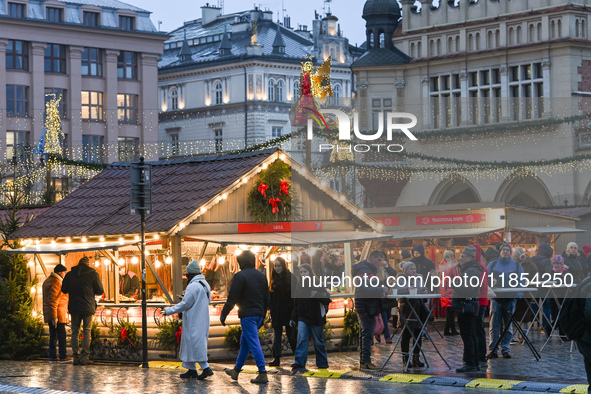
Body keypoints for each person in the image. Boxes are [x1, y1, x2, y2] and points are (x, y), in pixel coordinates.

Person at [221, 250, 270, 384]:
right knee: (246, 343)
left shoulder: (240, 276)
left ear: (241, 262)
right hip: (259, 314)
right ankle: (236, 371)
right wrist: (263, 315)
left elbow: (232, 297)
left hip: (248, 315)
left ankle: (262, 372)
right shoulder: (261, 276)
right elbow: (267, 298)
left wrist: (224, 314)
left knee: (253, 343)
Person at [162, 260, 213, 379]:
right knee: (192, 343)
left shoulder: (193, 286)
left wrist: (168, 311)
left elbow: (185, 304)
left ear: (191, 274)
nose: (187, 277)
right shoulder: (205, 284)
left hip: (193, 320)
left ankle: (206, 368)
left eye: (188, 274)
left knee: (195, 344)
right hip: (202, 318)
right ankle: (192, 369)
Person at [61, 256, 104, 366]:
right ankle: (85, 358)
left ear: (79, 264)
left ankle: (75, 357)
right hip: (87, 306)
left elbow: (63, 289)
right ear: (88, 264)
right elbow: (100, 290)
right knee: (86, 331)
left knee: (75, 332)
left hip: (74, 306)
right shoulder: (93, 274)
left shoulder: (70, 274)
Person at [352, 250, 389, 371]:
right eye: (378, 260)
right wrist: (380, 290)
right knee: (367, 334)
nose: (380, 263)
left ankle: (365, 361)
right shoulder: (365, 271)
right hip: (365, 306)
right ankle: (366, 362)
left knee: (366, 334)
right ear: (372, 258)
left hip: (365, 305)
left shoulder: (366, 269)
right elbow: (364, 289)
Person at [290, 263, 331, 370]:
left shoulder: (316, 283)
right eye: (301, 272)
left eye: (305, 272)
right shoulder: (299, 286)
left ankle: (322, 363)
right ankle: (299, 362)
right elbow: (296, 303)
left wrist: (316, 294)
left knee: (318, 341)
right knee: (302, 339)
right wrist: (293, 317)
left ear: (310, 272)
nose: (303, 274)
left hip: (316, 316)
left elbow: (327, 299)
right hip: (303, 316)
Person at [487, 244, 524, 359]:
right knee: (494, 326)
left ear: (510, 252)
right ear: (500, 251)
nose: (506, 252)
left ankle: (505, 349)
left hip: (510, 299)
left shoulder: (517, 266)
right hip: (496, 299)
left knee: (508, 326)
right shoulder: (492, 265)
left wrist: (518, 295)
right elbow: (486, 280)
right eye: (503, 250)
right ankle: (493, 349)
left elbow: (521, 281)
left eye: (508, 250)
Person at [452, 246, 485, 373]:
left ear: (469, 258)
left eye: (462, 257)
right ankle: (473, 362)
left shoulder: (471, 270)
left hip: (467, 306)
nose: (460, 260)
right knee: (471, 335)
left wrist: (453, 284)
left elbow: (467, 288)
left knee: (468, 336)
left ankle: (470, 363)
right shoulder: (471, 269)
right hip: (469, 305)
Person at [396, 261, 428, 368]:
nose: (413, 271)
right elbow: (395, 290)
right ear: (405, 270)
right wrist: (407, 289)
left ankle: (416, 358)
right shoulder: (401, 278)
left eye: (414, 268)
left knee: (418, 334)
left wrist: (425, 291)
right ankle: (405, 359)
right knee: (406, 334)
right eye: (411, 269)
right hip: (406, 309)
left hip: (418, 308)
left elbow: (424, 289)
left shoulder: (419, 278)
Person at [269, 257, 296, 367]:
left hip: (288, 310)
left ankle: (297, 357)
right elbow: (270, 294)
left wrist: (293, 311)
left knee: (292, 335)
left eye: (279, 265)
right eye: (275, 266)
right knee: (277, 335)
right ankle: (276, 358)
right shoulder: (273, 278)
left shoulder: (290, 277)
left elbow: (294, 296)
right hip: (277, 311)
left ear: (283, 266)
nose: (277, 268)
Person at [43, 264, 71, 363]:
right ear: (60, 272)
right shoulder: (57, 282)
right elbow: (53, 301)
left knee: (53, 335)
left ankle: (53, 356)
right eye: (64, 272)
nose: (65, 274)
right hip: (58, 314)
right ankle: (63, 356)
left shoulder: (48, 280)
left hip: (51, 313)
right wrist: (55, 317)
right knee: (61, 335)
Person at [472, 244, 489, 368]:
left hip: (479, 301)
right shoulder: (480, 265)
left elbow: (480, 285)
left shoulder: (479, 266)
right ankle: (480, 354)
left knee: (478, 329)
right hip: (481, 300)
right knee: (478, 329)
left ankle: (481, 355)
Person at [531, 243, 554, 332]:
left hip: (533, 286)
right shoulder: (547, 261)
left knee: (533, 306)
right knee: (546, 307)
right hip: (544, 287)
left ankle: (531, 324)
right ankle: (545, 327)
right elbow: (548, 274)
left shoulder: (531, 259)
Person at [440, 250, 460, 336]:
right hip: (447, 288)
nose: (451, 258)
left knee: (451, 311)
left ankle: (448, 329)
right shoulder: (444, 265)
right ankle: (451, 329)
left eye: (452, 256)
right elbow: (446, 275)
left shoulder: (455, 263)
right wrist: (451, 266)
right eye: (448, 256)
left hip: (453, 287)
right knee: (450, 310)